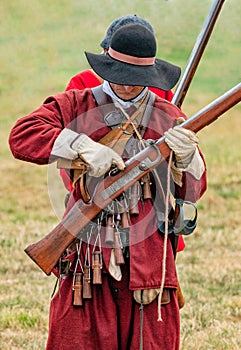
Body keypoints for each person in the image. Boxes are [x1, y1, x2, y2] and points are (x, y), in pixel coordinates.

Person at [9, 24, 207, 350]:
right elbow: (22, 136)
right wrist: (80, 146)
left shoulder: (166, 114)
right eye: (121, 73)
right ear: (107, 66)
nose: (128, 84)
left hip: (149, 262)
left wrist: (188, 160)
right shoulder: (76, 104)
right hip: (87, 257)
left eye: (137, 76)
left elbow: (193, 192)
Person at [62, 14, 187, 252]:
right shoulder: (83, 83)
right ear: (107, 52)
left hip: (148, 202)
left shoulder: (160, 91)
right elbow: (67, 144)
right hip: (95, 194)